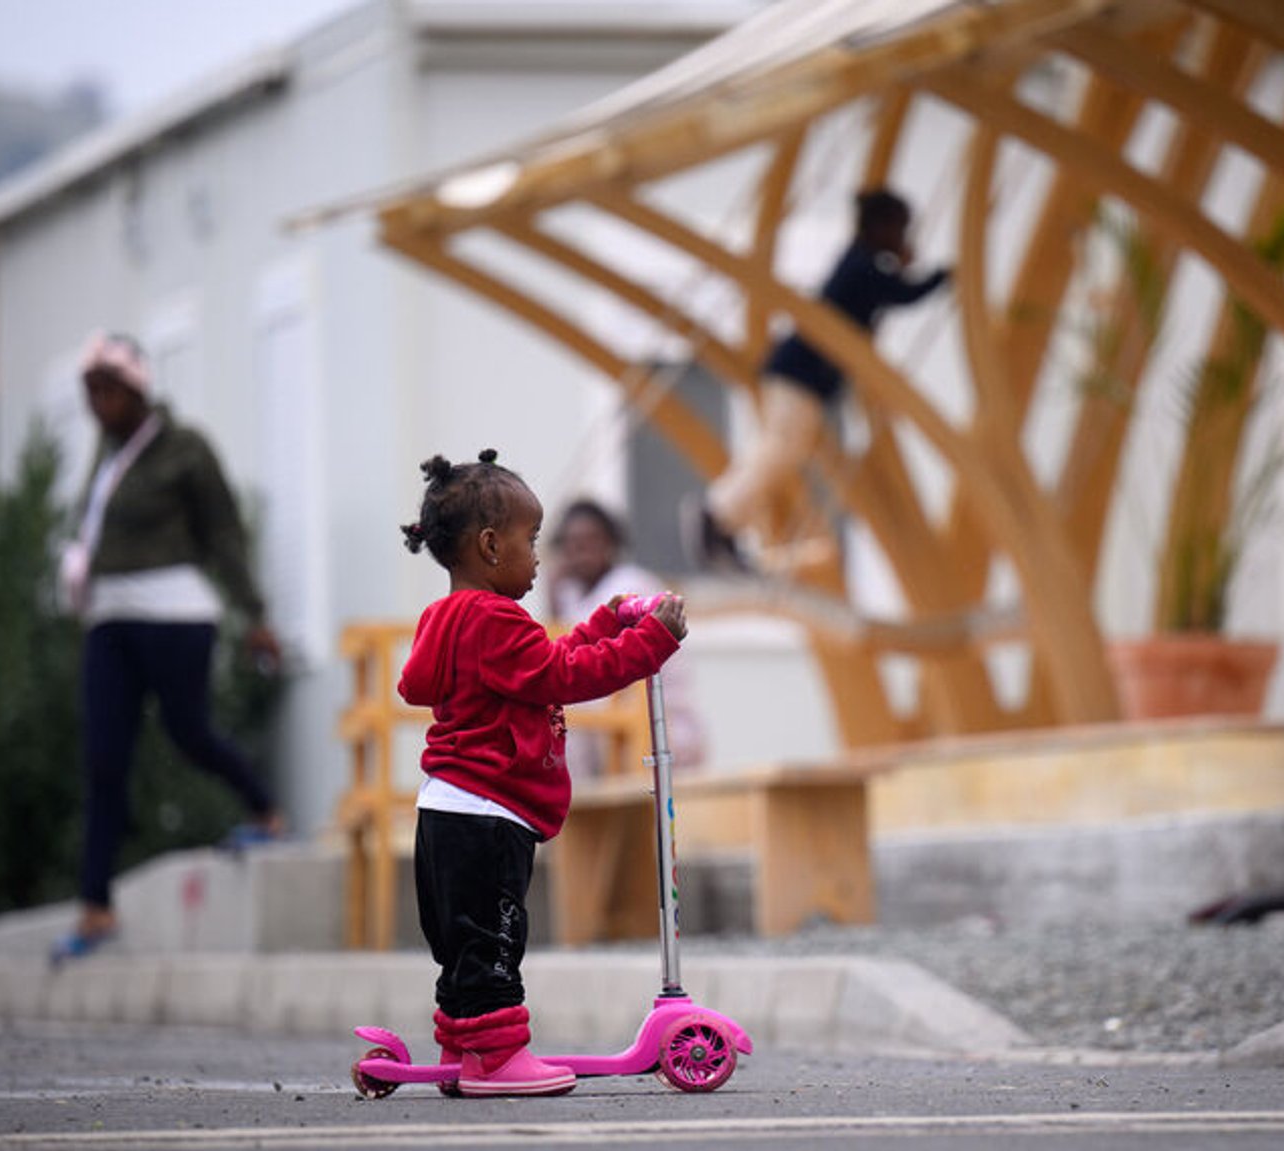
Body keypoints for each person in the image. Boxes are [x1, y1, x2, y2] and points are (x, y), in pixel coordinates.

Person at [398, 450, 685, 1096]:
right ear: (491, 545)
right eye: (530, 541)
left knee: (463, 944)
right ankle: (497, 1060)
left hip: (446, 811)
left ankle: (464, 1046)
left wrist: (605, 622)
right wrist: (649, 645)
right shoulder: (495, 619)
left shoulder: (449, 618)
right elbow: (563, 677)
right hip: (486, 814)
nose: (537, 557)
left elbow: (543, 665)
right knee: (497, 939)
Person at [54, 331, 284, 963]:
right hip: (109, 619)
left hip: (176, 615)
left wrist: (255, 615)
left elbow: (224, 533)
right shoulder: (105, 457)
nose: (97, 403)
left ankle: (265, 809)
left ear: (136, 389)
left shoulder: (184, 448)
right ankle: (95, 905)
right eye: (89, 391)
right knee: (104, 759)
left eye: (107, 389)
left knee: (188, 732)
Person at [688, 187, 951, 571]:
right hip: (798, 374)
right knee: (781, 446)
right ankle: (718, 513)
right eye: (899, 230)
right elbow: (903, 293)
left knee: (783, 448)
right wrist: (943, 275)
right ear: (880, 227)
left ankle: (727, 521)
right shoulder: (862, 265)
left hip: (800, 377)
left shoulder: (864, 263)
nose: (903, 239)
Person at [546, 498, 706, 777]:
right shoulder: (571, 593)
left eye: (591, 541)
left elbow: (588, 661)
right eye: (572, 544)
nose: (581, 552)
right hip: (611, 741)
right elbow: (563, 655)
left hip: (659, 730)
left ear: (611, 543)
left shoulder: (629, 584)